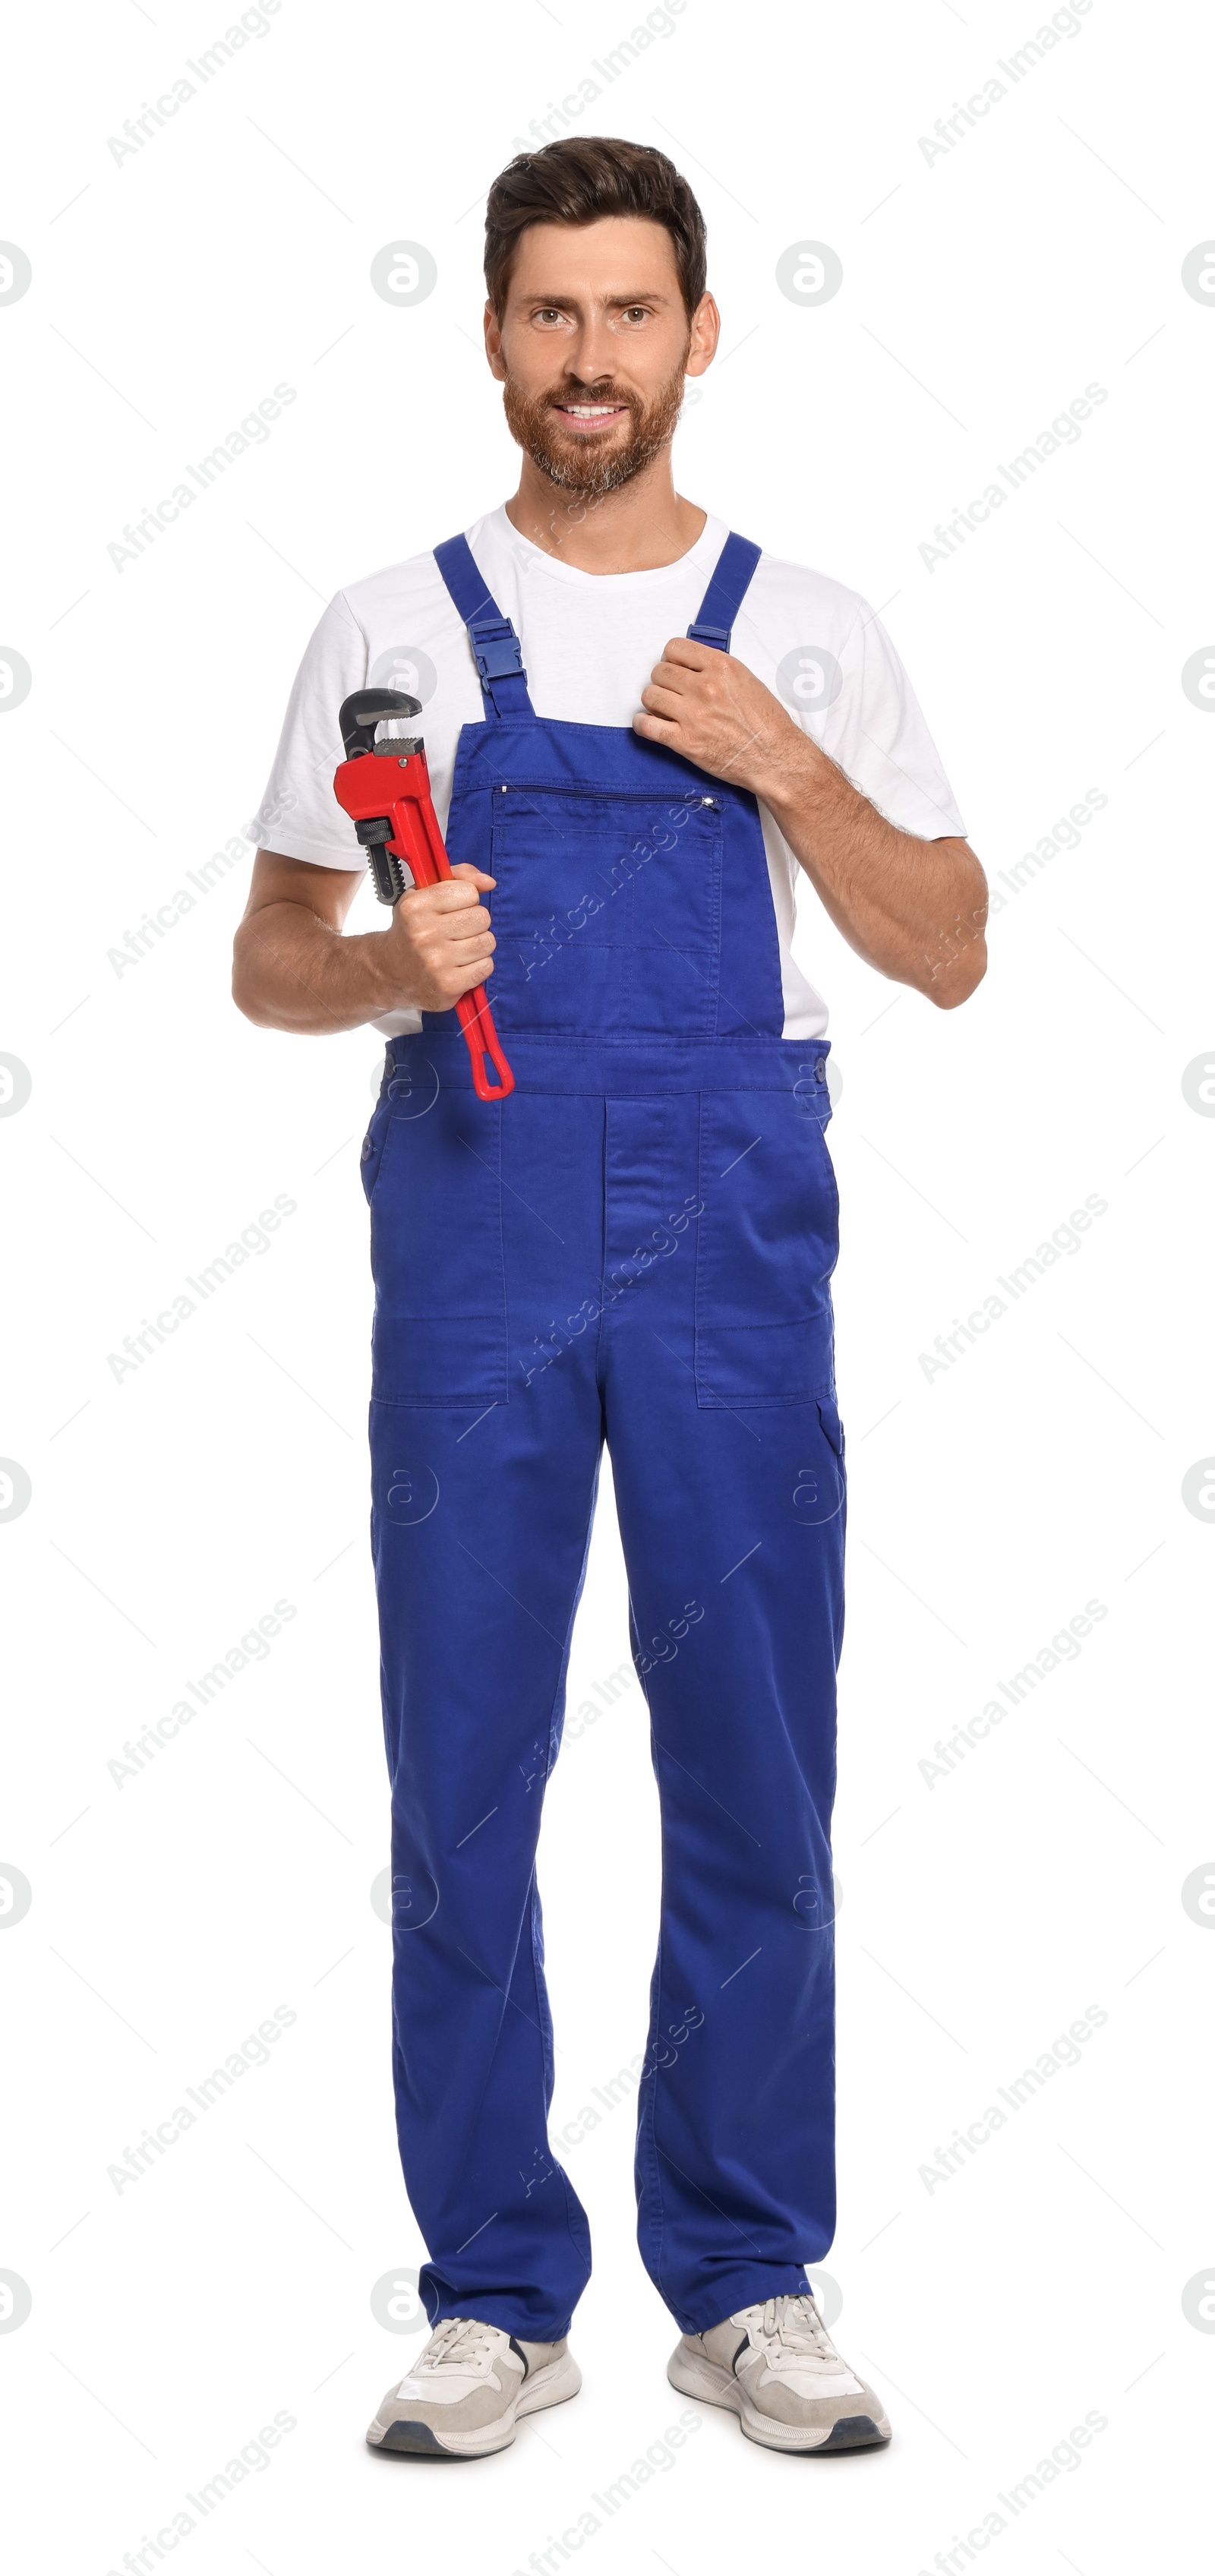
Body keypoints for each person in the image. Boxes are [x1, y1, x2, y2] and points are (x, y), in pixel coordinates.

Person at [233, 135, 986, 2464]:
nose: (591, 361)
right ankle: (492, 2295)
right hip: (473, 1231)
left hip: (730, 1243)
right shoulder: (382, 620)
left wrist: (784, 766)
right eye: (550, 315)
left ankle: (746, 2280)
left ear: (700, 334)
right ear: (492, 332)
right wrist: (384, 964)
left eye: (631, 314)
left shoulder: (814, 626)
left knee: (754, 1755)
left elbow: (948, 944)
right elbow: (271, 962)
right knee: (464, 1771)